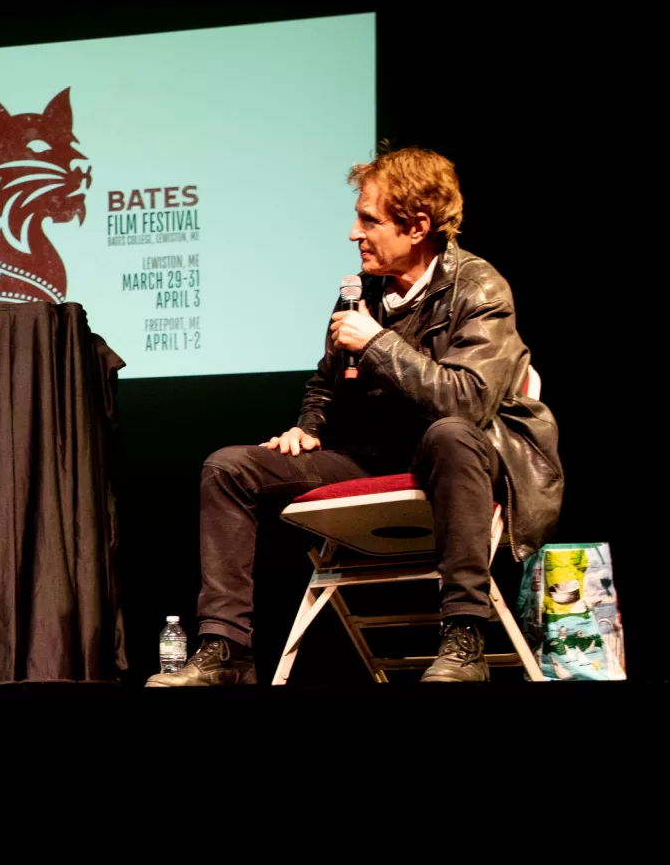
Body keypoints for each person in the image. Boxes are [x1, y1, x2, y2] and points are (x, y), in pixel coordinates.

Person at [148, 147, 562, 687]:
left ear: (416, 226)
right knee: (228, 467)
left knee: (452, 433)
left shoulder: (479, 288)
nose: (352, 233)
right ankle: (227, 650)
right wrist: (309, 428)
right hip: (366, 461)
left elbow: (468, 402)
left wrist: (380, 344)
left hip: (453, 461)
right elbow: (325, 383)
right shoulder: (360, 292)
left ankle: (464, 636)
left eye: (369, 220)